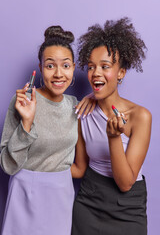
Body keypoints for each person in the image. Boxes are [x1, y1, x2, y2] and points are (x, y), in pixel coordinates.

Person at [0, 25, 92, 235]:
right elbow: (7, 165)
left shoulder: (75, 106)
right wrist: (27, 122)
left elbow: (80, 166)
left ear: (73, 68)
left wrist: (94, 98)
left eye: (66, 66)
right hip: (24, 193)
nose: (59, 73)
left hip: (60, 195)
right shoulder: (23, 101)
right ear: (40, 68)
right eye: (50, 66)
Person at [71, 17, 152, 235]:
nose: (96, 73)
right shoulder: (82, 113)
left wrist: (114, 137)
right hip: (89, 202)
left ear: (121, 72)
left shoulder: (140, 117)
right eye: (91, 67)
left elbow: (125, 183)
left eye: (105, 66)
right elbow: (79, 167)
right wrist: (35, 167)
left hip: (128, 206)